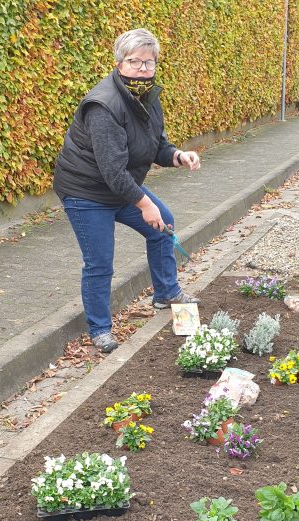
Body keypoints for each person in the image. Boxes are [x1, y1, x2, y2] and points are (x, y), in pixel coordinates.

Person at [53, 28, 201, 353]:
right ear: (120, 63)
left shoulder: (146, 96)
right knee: (100, 262)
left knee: (164, 226)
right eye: (135, 62)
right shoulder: (103, 105)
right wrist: (144, 203)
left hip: (118, 187)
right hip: (86, 192)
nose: (143, 70)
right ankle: (100, 330)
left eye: (149, 63)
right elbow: (112, 171)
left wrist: (177, 156)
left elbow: (154, 142)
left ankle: (166, 293)